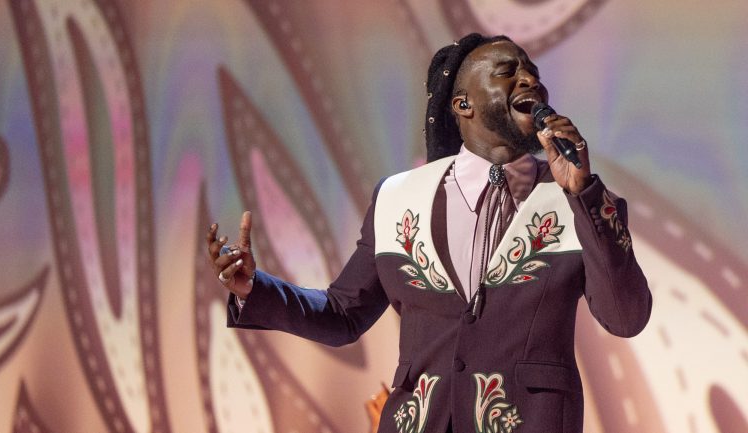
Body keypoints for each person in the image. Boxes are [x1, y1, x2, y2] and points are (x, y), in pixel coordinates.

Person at [206, 33, 652, 433]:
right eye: (507, 72)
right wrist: (253, 289)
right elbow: (343, 315)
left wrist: (584, 193)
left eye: (533, 72)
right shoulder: (398, 197)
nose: (529, 80)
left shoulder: (580, 201)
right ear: (463, 105)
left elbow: (625, 317)